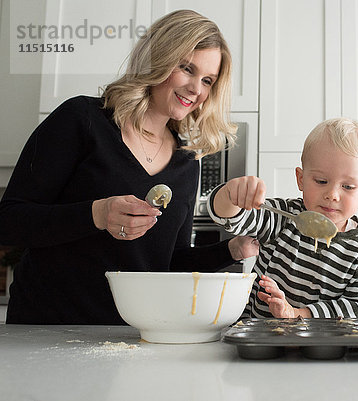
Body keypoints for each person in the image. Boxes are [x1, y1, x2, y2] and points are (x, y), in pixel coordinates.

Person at [0, 10, 258, 325]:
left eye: (208, 80)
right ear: (158, 59)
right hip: (45, 329)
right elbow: (9, 221)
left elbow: (169, 264)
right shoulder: (82, 120)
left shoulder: (186, 163)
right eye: (186, 68)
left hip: (129, 338)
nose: (196, 89)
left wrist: (231, 249)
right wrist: (96, 214)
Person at [208, 117, 358, 318]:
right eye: (321, 181)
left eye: (348, 187)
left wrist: (296, 313)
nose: (332, 194)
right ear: (301, 179)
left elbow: (357, 307)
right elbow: (231, 218)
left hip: (325, 345)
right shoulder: (282, 217)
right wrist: (231, 195)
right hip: (260, 338)